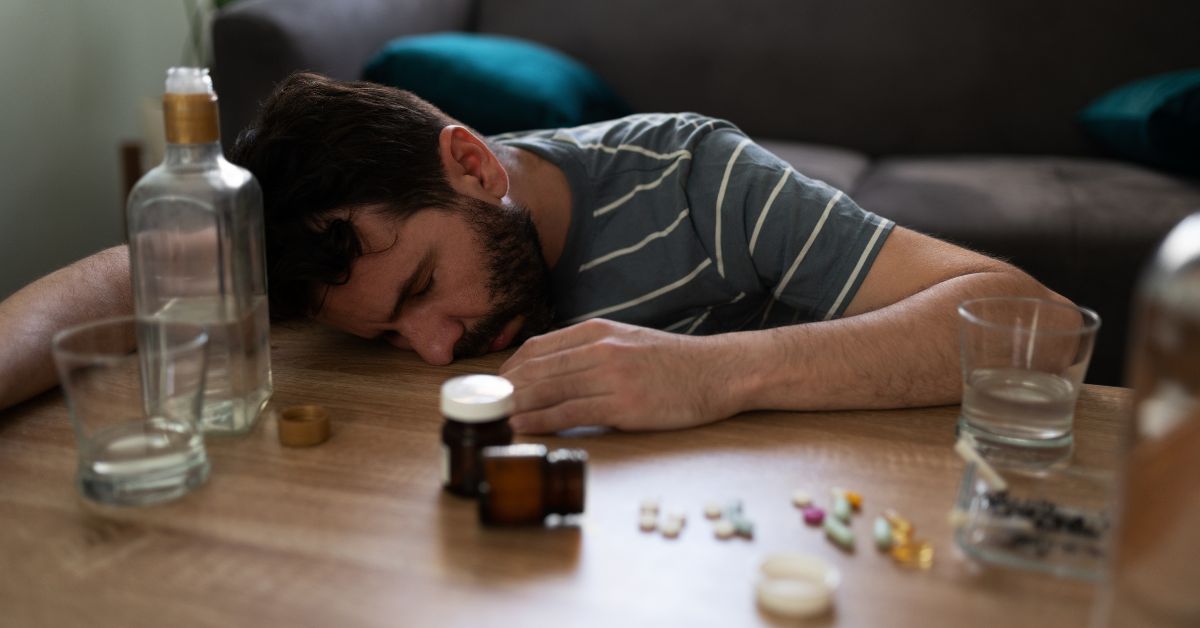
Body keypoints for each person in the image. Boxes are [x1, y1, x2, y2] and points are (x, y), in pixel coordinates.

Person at [0, 73, 1067, 432]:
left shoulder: (695, 178)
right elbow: (133, 272)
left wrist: (717, 371)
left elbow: (1037, 323)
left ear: (471, 164)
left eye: (422, 286)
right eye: (386, 331)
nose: (434, 348)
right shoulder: (331, 257)